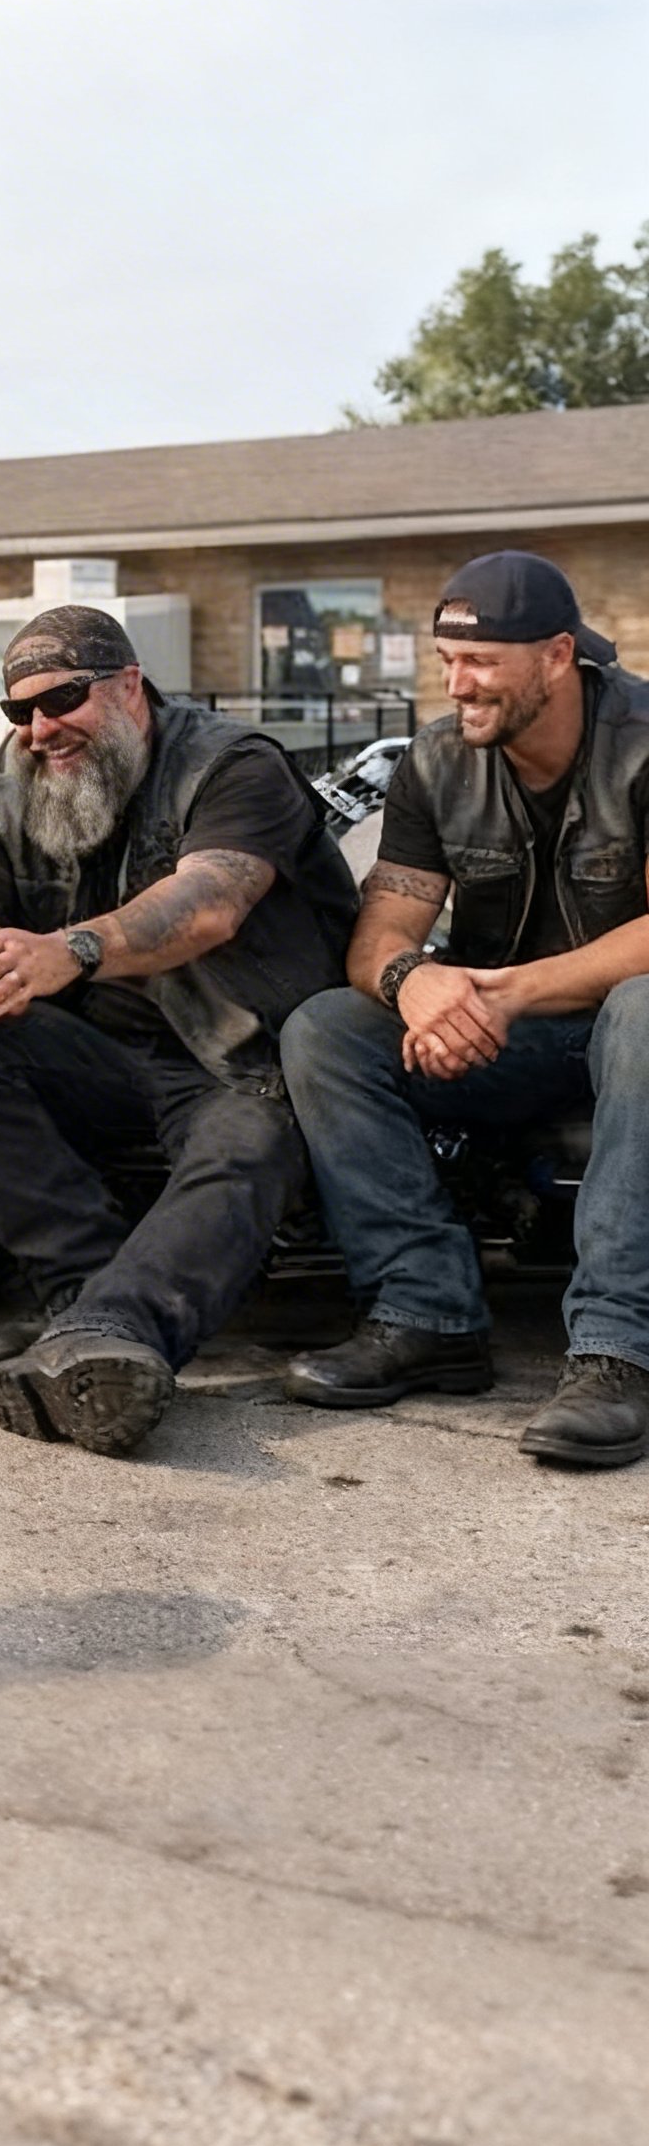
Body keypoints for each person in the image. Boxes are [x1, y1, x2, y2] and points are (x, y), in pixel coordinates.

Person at [0, 605, 359, 1456]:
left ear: (130, 685)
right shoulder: (17, 783)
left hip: (235, 1057)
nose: (39, 729)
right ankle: (84, 1295)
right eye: (19, 711)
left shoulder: (231, 764)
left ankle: (120, 1329)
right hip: (103, 1057)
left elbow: (209, 903)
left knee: (251, 1136)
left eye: (62, 699)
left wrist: (70, 950)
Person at [281, 552, 649, 1469]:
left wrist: (499, 990)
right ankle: (428, 1312)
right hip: (505, 1031)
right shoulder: (438, 762)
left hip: (618, 1027)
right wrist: (420, 988)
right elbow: (379, 938)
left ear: (558, 655)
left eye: (481, 662)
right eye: (446, 660)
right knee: (325, 1028)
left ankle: (616, 1350)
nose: (457, 684)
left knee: (647, 1010)